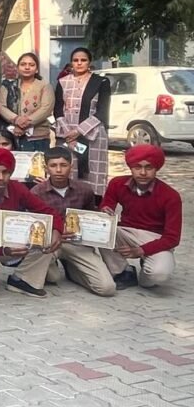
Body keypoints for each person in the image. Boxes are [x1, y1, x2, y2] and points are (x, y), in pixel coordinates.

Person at [0, 148, 63, 298]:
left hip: (14, 246)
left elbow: (47, 211)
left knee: (51, 264)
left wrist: (56, 229)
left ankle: (20, 280)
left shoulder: (17, 188)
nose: (1, 177)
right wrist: (3, 251)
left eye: (6, 172)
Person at [30, 148, 115, 296]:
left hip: (77, 244)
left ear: (71, 166)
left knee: (106, 288)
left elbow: (91, 215)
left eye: (63, 165)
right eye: (53, 165)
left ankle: (73, 271)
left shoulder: (85, 190)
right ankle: (52, 267)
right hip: (51, 243)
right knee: (53, 277)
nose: (58, 170)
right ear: (46, 167)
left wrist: (103, 215)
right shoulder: (36, 192)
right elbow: (33, 224)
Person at [99, 145, 180, 289]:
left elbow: (172, 238)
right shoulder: (117, 184)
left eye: (149, 167)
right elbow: (106, 206)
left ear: (156, 168)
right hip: (126, 232)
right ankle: (123, 272)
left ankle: (145, 276)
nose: (143, 173)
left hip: (156, 237)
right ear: (131, 168)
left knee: (159, 275)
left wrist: (141, 250)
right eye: (137, 167)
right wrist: (105, 211)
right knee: (101, 230)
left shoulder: (170, 195)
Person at [55, 47, 111, 197]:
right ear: (71, 63)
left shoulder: (101, 82)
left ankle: (94, 207)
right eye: (75, 60)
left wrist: (78, 131)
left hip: (93, 135)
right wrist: (69, 133)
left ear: (89, 62)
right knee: (69, 172)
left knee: (94, 175)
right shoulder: (63, 82)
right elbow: (58, 110)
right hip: (67, 137)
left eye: (83, 60)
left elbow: (102, 111)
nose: (79, 63)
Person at [0, 53, 53, 152]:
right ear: (18, 68)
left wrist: (26, 122)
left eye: (31, 65)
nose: (27, 67)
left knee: (37, 162)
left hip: (38, 136)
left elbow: (46, 108)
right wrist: (16, 120)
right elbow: (1, 106)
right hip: (12, 134)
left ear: (37, 69)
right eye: (23, 64)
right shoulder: (8, 86)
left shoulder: (44, 86)